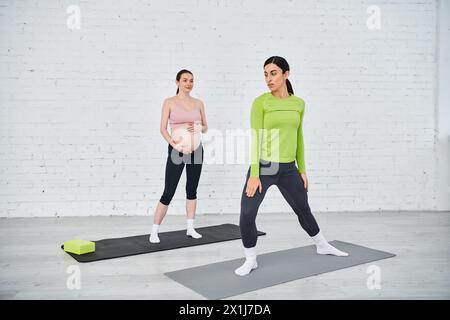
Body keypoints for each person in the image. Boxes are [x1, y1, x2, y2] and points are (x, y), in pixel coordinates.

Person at [235, 56, 349, 276]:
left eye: (274, 73)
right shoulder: (261, 102)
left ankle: (322, 245)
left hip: (289, 169)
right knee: (247, 213)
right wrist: (255, 174)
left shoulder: (299, 104)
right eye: (266, 74)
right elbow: (255, 138)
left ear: (286, 74)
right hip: (265, 167)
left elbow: (299, 137)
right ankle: (251, 259)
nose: (269, 78)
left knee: (303, 209)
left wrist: (302, 170)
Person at [149, 69, 208, 243]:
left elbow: (205, 127)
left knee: (192, 189)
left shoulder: (199, 103)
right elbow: (162, 129)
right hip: (177, 150)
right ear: (177, 82)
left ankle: (190, 228)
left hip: (197, 150)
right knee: (169, 191)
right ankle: (154, 231)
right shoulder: (169, 102)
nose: (188, 83)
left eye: (191, 80)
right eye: (185, 80)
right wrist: (174, 144)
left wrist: (198, 128)